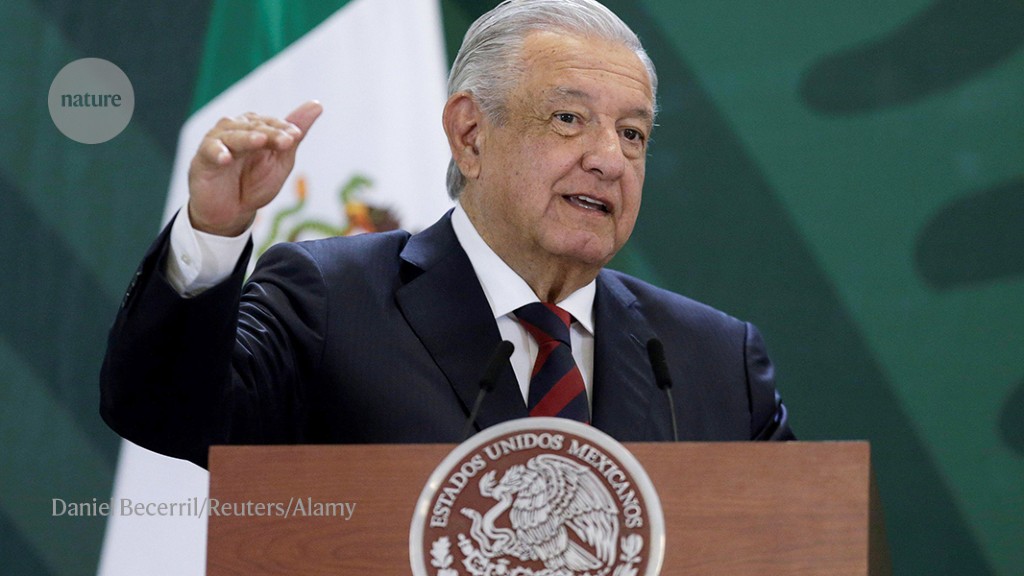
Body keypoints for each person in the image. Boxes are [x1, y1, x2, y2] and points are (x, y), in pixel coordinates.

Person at [101, 0, 794, 469]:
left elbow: (798, 540)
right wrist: (213, 234)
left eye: (633, 133)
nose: (610, 159)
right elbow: (165, 412)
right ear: (470, 134)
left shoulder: (712, 360)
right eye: (568, 119)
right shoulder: (331, 302)